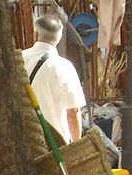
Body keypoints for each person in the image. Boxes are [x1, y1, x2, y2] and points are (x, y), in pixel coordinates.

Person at [22, 15, 86, 143]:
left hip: (22, 139)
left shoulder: (18, 59)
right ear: (59, 38)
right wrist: (76, 144)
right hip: (54, 144)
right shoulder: (64, 67)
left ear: (35, 35)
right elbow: (73, 111)